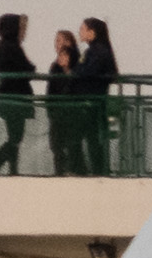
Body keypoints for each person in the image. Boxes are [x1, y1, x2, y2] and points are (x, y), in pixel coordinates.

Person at [71, 17, 119, 175]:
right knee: (91, 138)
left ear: (92, 32)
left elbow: (87, 72)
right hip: (92, 101)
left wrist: (76, 72)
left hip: (90, 102)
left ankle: (91, 171)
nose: (80, 32)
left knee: (83, 138)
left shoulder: (97, 51)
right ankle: (95, 170)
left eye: (83, 29)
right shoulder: (96, 50)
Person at [0, 14, 34, 174]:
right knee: (15, 137)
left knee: (14, 137)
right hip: (15, 97)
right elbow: (28, 69)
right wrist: (31, 68)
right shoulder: (11, 46)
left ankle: (10, 168)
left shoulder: (3, 45)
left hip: (8, 96)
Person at [44, 29, 82, 175]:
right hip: (57, 112)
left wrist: (68, 71)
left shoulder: (78, 65)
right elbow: (50, 91)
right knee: (56, 145)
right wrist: (50, 109)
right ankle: (61, 172)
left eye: (64, 40)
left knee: (73, 145)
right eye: (58, 41)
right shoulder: (55, 67)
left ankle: (75, 170)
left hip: (72, 113)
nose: (60, 44)